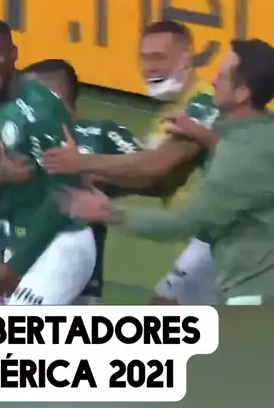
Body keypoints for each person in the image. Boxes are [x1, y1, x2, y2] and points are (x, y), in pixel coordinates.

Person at [57, 39, 274, 306]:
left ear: (242, 93)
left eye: (222, 76)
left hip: (254, 293)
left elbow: (185, 223)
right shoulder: (263, 131)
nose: (214, 81)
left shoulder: (237, 157)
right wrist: (206, 137)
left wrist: (106, 212)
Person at [43, 20, 222, 305]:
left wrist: (82, 163)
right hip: (201, 237)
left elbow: (155, 168)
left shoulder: (206, 104)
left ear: (187, 58)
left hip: (227, 235)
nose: (149, 67)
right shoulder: (169, 112)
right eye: (144, 59)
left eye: (158, 57)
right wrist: (93, 182)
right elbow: (150, 179)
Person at [0, 58, 139, 304]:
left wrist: (88, 172)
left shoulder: (100, 135)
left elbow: (149, 171)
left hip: (70, 274)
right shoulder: (18, 138)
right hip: (19, 269)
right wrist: (2, 176)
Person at [0, 18, 96, 306]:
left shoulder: (41, 111)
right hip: (21, 245)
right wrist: (1, 177)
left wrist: (16, 266)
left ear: (13, 54)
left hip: (62, 244)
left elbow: (67, 194)